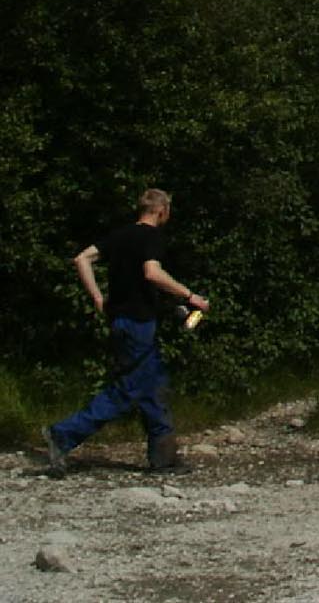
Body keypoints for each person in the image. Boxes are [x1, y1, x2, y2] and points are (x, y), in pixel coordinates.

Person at [43, 189, 210, 476]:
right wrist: (190, 296)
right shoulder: (152, 237)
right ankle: (62, 434)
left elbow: (82, 259)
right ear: (162, 210)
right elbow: (152, 273)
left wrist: (98, 298)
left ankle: (164, 456)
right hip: (138, 324)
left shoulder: (120, 235)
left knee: (153, 383)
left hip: (120, 321)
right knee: (126, 390)